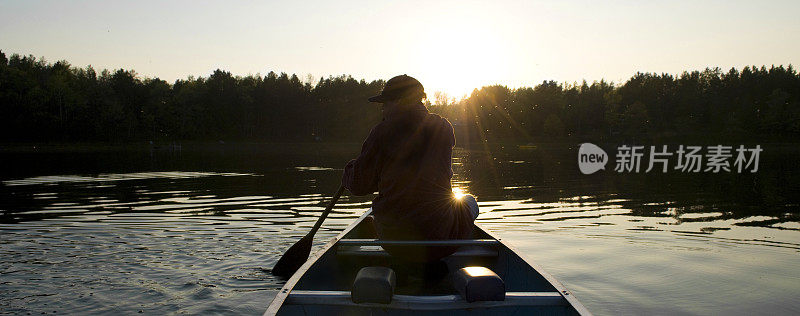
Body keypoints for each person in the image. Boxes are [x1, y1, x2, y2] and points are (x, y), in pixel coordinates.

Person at [341, 74, 479, 262]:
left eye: (386, 103)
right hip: (439, 241)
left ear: (400, 101)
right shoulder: (444, 128)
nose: (382, 108)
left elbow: (359, 186)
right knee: (469, 201)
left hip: (394, 241)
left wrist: (350, 170)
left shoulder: (381, 132)